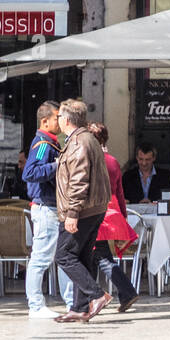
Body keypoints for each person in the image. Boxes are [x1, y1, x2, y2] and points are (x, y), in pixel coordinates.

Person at [52, 100, 113, 323]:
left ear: (66, 120)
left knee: (64, 255)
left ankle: (97, 295)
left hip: (83, 209)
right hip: (94, 207)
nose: (57, 120)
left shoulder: (78, 141)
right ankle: (79, 307)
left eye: (59, 117)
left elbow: (78, 180)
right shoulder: (87, 138)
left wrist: (72, 213)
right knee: (81, 256)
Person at [22, 102, 75, 318]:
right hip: (46, 208)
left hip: (53, 208)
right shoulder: (43, 143)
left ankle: (72, 302)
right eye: (56, 117)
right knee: (41, 258)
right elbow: (30, 172)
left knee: (63, 257)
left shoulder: (51, 143)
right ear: (45, 121)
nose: (60, 121)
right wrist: (58, 165)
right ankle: (35, 305)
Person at [89, 122, 140, 313]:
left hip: (94, 212)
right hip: (111, 212)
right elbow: (119, 192)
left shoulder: (89, 160)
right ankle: (93, 298)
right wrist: (123, 219)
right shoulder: (112, 161)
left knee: (100, 256)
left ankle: (126, 292)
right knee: (95, 256)